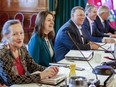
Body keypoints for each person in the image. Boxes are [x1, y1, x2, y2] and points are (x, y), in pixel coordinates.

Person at [0, 20, 59, 86]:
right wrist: (40, 76)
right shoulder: (2, 53)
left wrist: (48, 70)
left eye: (21, 33)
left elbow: (32, 66)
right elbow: (10, 80)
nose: (20, 37)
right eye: (15, 34)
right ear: (6, 36)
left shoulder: (22, 47)